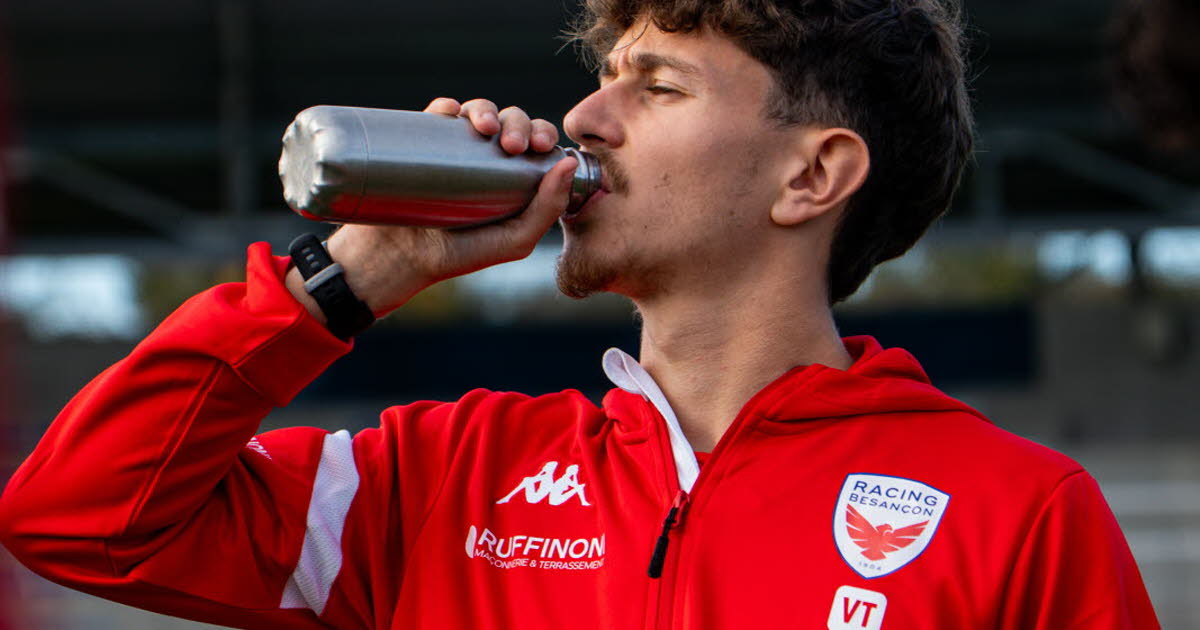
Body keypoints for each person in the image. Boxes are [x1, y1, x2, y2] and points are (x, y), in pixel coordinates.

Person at [0, 0, 1160, 628]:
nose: (586, 118)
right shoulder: (439, 480)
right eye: (607, 72)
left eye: (656, 86)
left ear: (814, 176)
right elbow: (76, 517)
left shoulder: (1018, 518)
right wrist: (349, 279)